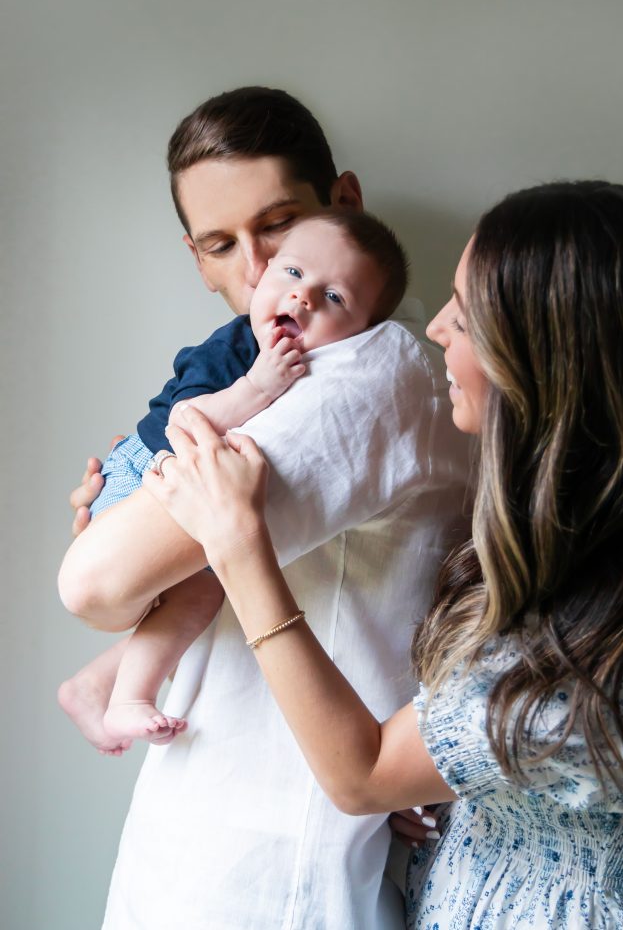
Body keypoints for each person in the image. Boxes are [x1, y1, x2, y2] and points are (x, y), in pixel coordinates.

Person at [142, 180, 623, 929]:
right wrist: (462, 784)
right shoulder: (556, 536)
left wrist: (238, 542)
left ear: (560, 360)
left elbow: (361, 776)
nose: (439, 327)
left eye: (472, 311)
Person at [62, 86, 470, 929]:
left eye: (277, 228)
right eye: (220, 244)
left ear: (343, 206)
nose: (256, 272)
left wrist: (122, 557)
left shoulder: (366, 370)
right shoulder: (263, 371)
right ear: (196, 257)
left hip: (265, 866)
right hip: (212, 827)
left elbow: (92, 588)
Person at [59, 209, 409, 752]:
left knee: (204, 595)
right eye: (292, 274)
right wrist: (257, 386)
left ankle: (95, 684)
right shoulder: (240, 348)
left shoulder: (354, 368)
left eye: (334, 298)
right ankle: (123, 696)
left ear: (362, 334)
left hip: (161, 475)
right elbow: (185, 421)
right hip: (145, 468)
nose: (303, 299)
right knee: (201, 594)